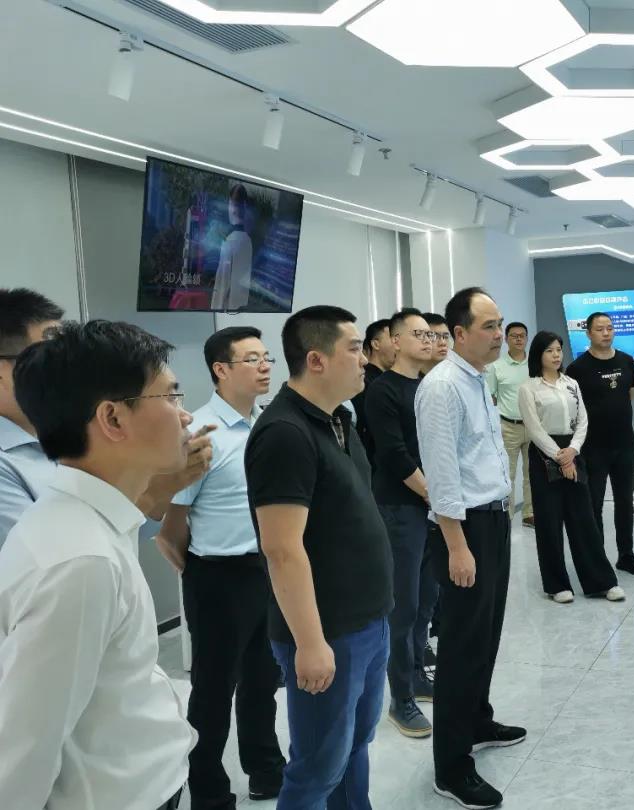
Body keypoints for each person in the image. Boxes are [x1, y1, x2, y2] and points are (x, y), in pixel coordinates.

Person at [0, 320, 197, 810]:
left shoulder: (91, 520)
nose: (186, 415)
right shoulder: (80, 561)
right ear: (113, 418)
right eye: (171, 396)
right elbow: (20, 755)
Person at [245, 305, 393, 810]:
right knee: (318, 766)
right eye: (354, 349)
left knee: (355, 745)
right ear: (316, 359)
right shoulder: (285, 433)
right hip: (327, 632)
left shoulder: (339, 419)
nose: (365, 359)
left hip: (368, 620)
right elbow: (282, 548)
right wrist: (310, 644)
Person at [156, 327, 285, 810]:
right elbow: (170, 529)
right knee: (212, 691)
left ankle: (265, 769)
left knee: (263, 681)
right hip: (217, 578)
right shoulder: (200, 433)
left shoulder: (267, 425)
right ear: (221, 370)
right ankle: (209, 791)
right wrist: (200, 572)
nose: (265, 366)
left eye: (267, 357)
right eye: (252, 359)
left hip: (266, 570)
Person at [415, 287, 526, 809]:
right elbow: (441, 477)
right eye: (488, 326)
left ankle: (477, 720)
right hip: (464, 530)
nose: (499, 334)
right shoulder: (441, 388)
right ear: (459, 333)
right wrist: (457, 546)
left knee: (486, 632)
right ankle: (451, 765)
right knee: (461, 645)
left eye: (500, 324)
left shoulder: (477, 379)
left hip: (493, 520)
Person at [0, 287, 213, 547]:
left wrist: (159, 488)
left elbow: (127, 539)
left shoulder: (69, 433)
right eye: (46, 354)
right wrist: (153, 492)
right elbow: (66, 554)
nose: (66, 366)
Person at [364, 308, 437, 738]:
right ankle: (401, 698)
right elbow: (394, 455)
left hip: (433, 506)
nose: (428, 340)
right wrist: (432, 494)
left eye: (430, 334)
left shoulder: (429, 386)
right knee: (404, 605)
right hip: (400, 507)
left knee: (427, 598)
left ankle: (418, 675)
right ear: (394, 341)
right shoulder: (383, 391)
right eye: (418, 334)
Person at [518, 332, 625, 604]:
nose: (556, 355)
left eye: (558, 350)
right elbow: (534, 429)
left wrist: (573, 451)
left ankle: (601, 582)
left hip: (573, 451)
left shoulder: (571, 383)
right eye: (549, 350)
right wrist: (560, 457)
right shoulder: (529, 388)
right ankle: (557, 585)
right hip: (544, 454)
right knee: (549, 521)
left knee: (584, 519)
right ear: (538, 355)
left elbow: (583, 421)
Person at [566, 312, 634, 576]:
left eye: (610, 328)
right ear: (588, 333)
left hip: (625, 445)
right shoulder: (577, 369)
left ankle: (626, 555)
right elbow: (574, 408)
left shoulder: (626, 361)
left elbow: (629, 394)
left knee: (625, 501)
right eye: (600, 329)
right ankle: (597, 559)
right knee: (594, 504)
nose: (606, 333)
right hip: (593, 447)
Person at [420, 311, 451, 648]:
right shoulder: (416, 386)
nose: (440, 343)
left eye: (444, 337)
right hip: (419, 496)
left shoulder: (452, 382)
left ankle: (440, 628)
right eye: (432, 336)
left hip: (446, 497)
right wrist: (430, 489)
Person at [485, 321, 534, 527]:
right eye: (514, 336)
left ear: (527, 338)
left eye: (522, 335)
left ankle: (530, 514)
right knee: (508, 474)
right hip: (508, 427)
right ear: (506, 339)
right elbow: (491, 397)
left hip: (533, 427)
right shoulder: (496, 366)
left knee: (532, 474)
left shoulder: (535, 364)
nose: (519, 339)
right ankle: (508, 515)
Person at [351, 318, 395, 468]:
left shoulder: (387, 380)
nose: (398, 345)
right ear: (376, 344)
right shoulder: (366, 383)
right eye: (393, 338)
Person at [210, 185, 254, 311]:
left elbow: (222, 282)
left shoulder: (230, 242)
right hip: (241, 307)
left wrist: (214, 308)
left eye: (230, 204)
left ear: (233, 208)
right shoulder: (248, 241)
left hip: (227, 309)